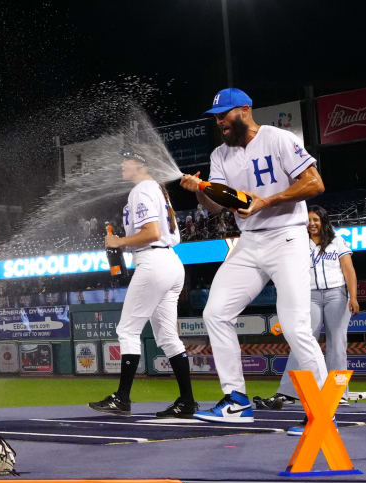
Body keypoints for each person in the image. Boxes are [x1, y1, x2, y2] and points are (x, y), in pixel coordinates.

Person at [179, 88, 328, 423]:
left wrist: (267, 200)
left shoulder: (277, 138)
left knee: (295, 326)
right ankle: (237, 398)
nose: (219, 122)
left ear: (245, 110)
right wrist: (200, 192)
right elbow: (219, 205)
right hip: (248, 242)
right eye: (216, 117)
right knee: (215, 313)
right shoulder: (220, 155)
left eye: (225, 114)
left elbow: (315, 183)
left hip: (287, 235)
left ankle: (321, 411)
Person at [89, 150, 196, 418]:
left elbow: (151, 233)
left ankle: (122, 398)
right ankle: (187, 401)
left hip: (153, 262)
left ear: (139, 164)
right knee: (168, 338)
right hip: (171, 263)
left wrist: (119, 242)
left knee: (127, 330)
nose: (122, 164)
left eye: (126, 160)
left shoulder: (142, 190)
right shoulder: (157, 190)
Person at [258, 205, 359, 420]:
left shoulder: (337, 240)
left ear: (323, 220)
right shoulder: (299, 243)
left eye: (316, 219)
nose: (312, 223)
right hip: (309, 295)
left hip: (336, 294)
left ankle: (338, 393)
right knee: (302, 340)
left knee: (337, 343)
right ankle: (288, 392)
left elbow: (348, 269)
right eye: (308, 220)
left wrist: (354, 296)